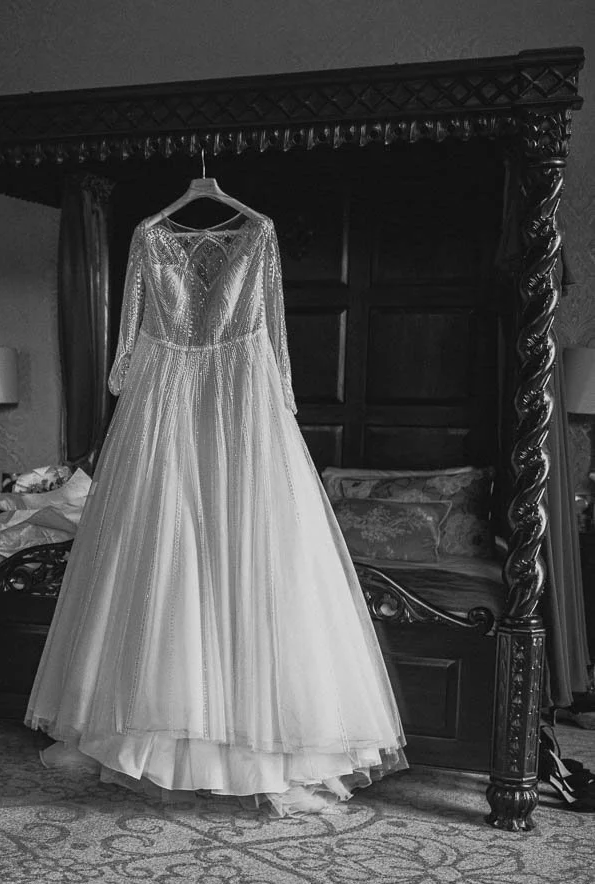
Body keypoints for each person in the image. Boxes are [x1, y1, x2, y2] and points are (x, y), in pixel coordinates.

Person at [25, 198, 406, 816]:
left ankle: (239, 746)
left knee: (245, 563)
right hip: (169, 431)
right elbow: (136, 351)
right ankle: (177, 742)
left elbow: (138, 361)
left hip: (234, 424)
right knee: (167, 566)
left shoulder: (261, 233)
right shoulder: (147, 236)